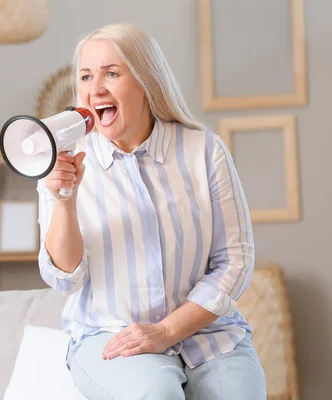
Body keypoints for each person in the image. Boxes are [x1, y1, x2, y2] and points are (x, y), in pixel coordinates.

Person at [36, 23, 266, 399]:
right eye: (86, 76)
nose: (96, 89)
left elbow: (235, 261)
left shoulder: (204, 151)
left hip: (211, 335)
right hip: (111, 335)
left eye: (111, 73)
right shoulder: (61, 162)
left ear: (146, 81)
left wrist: (167, 331)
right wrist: (64, 199)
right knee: (154, 394)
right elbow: (64, 280)